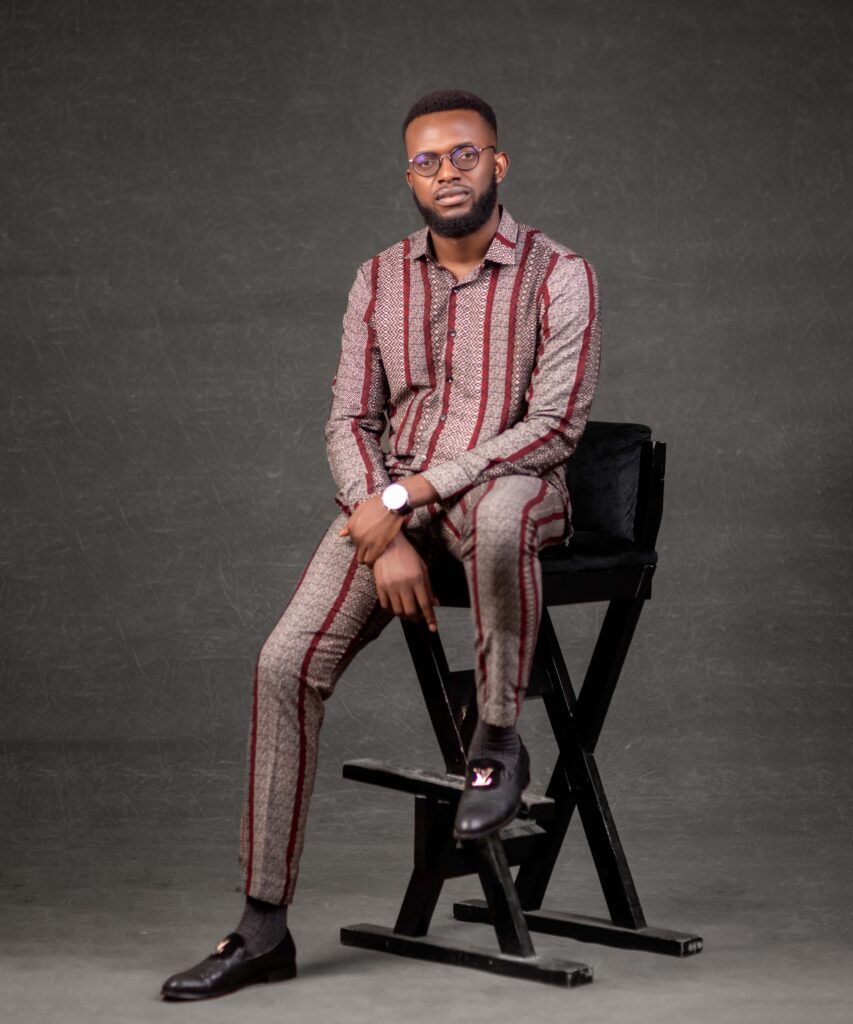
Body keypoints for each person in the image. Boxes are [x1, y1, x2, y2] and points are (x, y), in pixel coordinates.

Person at [160, 88, 601, 1001]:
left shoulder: (560, 273)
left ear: (498, 164)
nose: (447, 173)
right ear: (410, 177)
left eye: (465, 155)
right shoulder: (378, 278)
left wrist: (410, 493)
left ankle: (497, 742)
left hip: (510, 488)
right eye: (426, 161)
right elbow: (348, 419)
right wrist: (382, 525)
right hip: (394, 506)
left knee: (500, 513)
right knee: (284, 665)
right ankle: (262, 927)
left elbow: (554, 426)